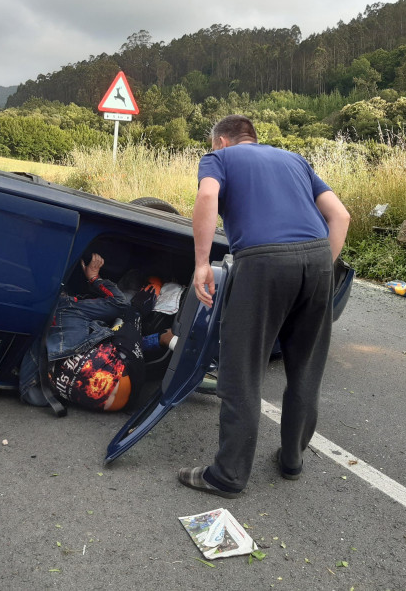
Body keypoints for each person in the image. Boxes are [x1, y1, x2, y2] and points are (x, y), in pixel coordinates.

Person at [177, 115, 351, 498]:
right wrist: (320, 265)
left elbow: (207, 197)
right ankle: (292, 460)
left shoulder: (218, 159)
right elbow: (340, 216)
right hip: (319, 261)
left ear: (221, 141)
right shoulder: (295, 159)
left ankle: (228, 475)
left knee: (242, 370)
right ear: (253, 138)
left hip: (262, 262)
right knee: (305, 369)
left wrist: (202, 263)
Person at [19, 253, 172, 412]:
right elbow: (119, 304)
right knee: (131, 314)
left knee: (115, 335)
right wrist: (93, 278)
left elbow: (30, 393)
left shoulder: (32, 349)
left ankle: (159, 339)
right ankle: (156, 282)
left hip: (106, 402)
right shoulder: (67, 307)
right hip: (125, 383)